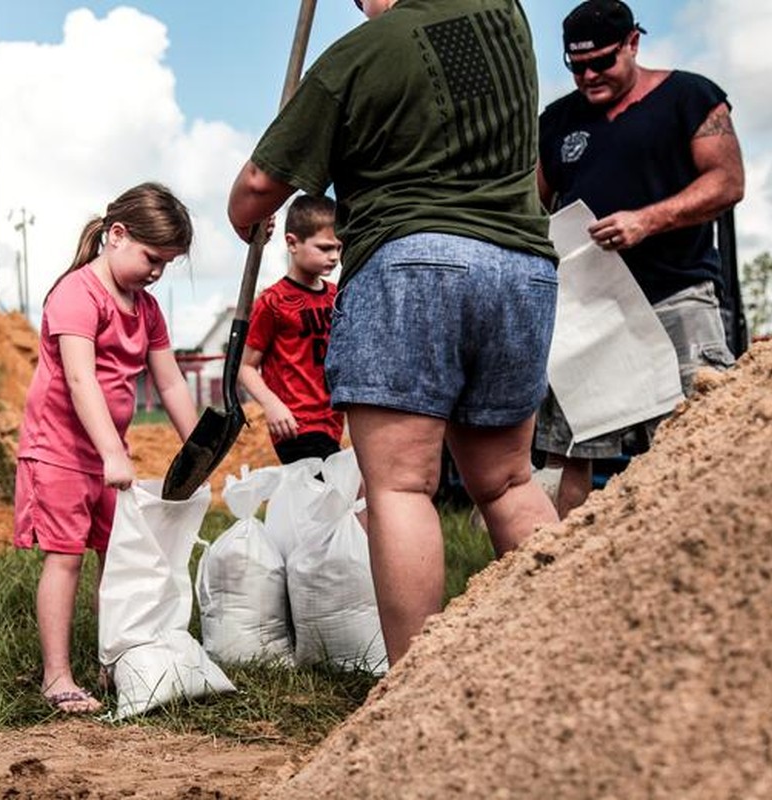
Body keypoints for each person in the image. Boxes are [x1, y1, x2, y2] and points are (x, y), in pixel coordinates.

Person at [228, 0, 560, 666]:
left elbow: (259, 186)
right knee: (508, 483)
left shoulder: (358, 56)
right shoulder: (505, 10)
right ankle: (565, 659)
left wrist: (246, 219)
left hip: (412, 265)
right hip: (519, 265)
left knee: (402, 486)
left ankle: (414, 697)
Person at [535, 0, 744, 517]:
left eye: (602, 62)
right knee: (571, 452)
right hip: (590, 310)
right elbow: (533, 205)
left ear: (633, 43)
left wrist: (646, 220)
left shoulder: (690, 96)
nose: (588, 76)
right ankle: (558, 576)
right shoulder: (557, 121)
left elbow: (728, 181)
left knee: (699, 439)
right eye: (576, 66)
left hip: (677, 297)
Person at [13, 182, 198, 713]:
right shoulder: (76, 293)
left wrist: (197, 444)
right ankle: (57, 676)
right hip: (60, 451)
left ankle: (111, 659)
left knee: (113, 561)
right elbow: (79, 380)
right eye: (151, 258)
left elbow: (169, 383)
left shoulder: (147, 308)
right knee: (65, 559)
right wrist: (112, 453)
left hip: (106, 455)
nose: (157, 271)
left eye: (167, 263)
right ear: (116, 236)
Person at [239, 194, 344, 464]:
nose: (333, 257)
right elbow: (246, 367)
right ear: (292, 243)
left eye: (338, 248)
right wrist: (272, 405)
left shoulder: (337, 296)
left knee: (331, 502)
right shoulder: (273, 302)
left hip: (332, 421)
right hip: (295, 424)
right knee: (339, 498)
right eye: (323, 248)